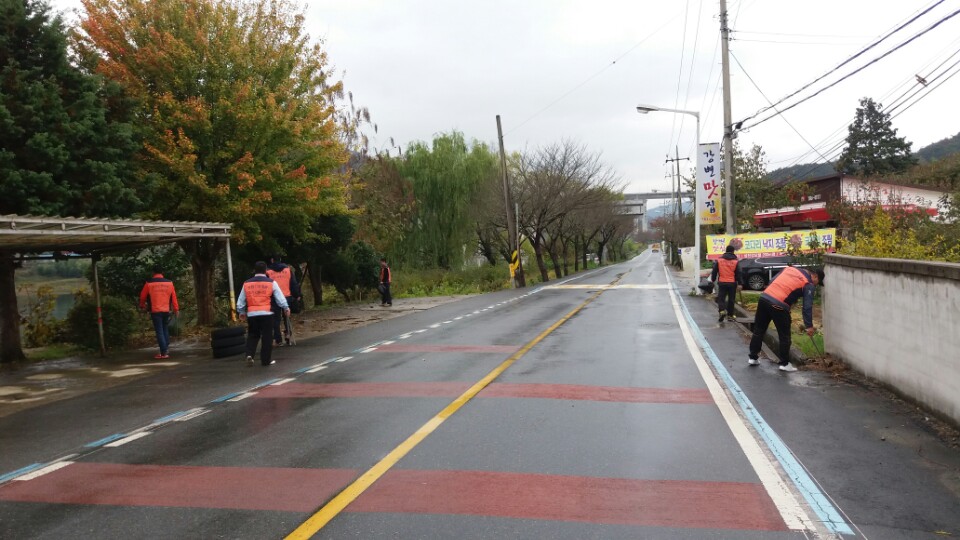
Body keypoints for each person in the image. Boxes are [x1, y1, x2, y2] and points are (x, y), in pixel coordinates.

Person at [748, 266, 824, 373]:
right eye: (818, 282)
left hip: (764, 298)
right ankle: (784, 363)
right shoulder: (808, 283)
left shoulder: (790, 269)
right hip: (779, 305)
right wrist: (809, 326)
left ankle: (753, 357)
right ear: (815, 276)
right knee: (785, 336)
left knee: (759, 330)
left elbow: (772, 281)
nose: (816, 285)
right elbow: (807, 307)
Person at [237, 261, 289, 367]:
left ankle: (249, 354)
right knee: (267, 337)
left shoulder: (247, 283)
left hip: (252, 314)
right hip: (267, 313)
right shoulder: (271, 282)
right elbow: (280, 297)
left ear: (254, 271)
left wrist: (241, 311)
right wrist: (285, 307)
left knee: (252, 335)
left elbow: (241, 300)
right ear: (266, 271)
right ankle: (265, 361)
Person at [139, 266, 179, 359]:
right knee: (165, 329)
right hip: (166, 310)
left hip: (155, 311)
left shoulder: (149, 283)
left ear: (153, 272)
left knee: (159, 331)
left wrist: (142, 305)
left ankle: (163, 353)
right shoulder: (170, 283)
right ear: (162, 272)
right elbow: (174, 297)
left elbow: (142, 296)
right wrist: (176, 309)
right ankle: (166, 348)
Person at [267, 254, 301, 347]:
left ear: (272, 260)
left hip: (274, 298)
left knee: (276, 320)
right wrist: (297, 295)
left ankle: (278, 339)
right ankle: (288, 334)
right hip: (287, 296)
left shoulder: (268, 272)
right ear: (281, 259)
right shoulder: (288, 270)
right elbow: (293, 284)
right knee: (287, 317)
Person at [711, 245, 742, 323]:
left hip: (722, 282)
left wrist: (713, 279)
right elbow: (739, 273)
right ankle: (730, 316)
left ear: (726, 250)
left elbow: (714, 271)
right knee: (731, 299)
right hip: (732, 283)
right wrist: (740, 283)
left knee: (721, 298)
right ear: (733, 251)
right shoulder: (736, 261)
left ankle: (722, 311)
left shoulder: (720, 260)